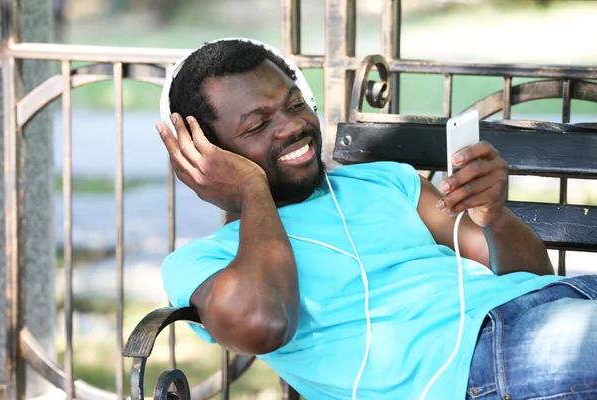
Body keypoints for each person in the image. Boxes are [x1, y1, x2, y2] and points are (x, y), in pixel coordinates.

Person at [157, 38, 597, 400]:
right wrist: (252, 188)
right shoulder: (203, 262)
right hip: (476, 362)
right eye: (257, 126)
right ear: (204, 154)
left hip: (558, 305)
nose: (291, 126)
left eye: (295, 106)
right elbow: (263, 324)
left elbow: (532, 276)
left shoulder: (387, 181)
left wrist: (494, 217)